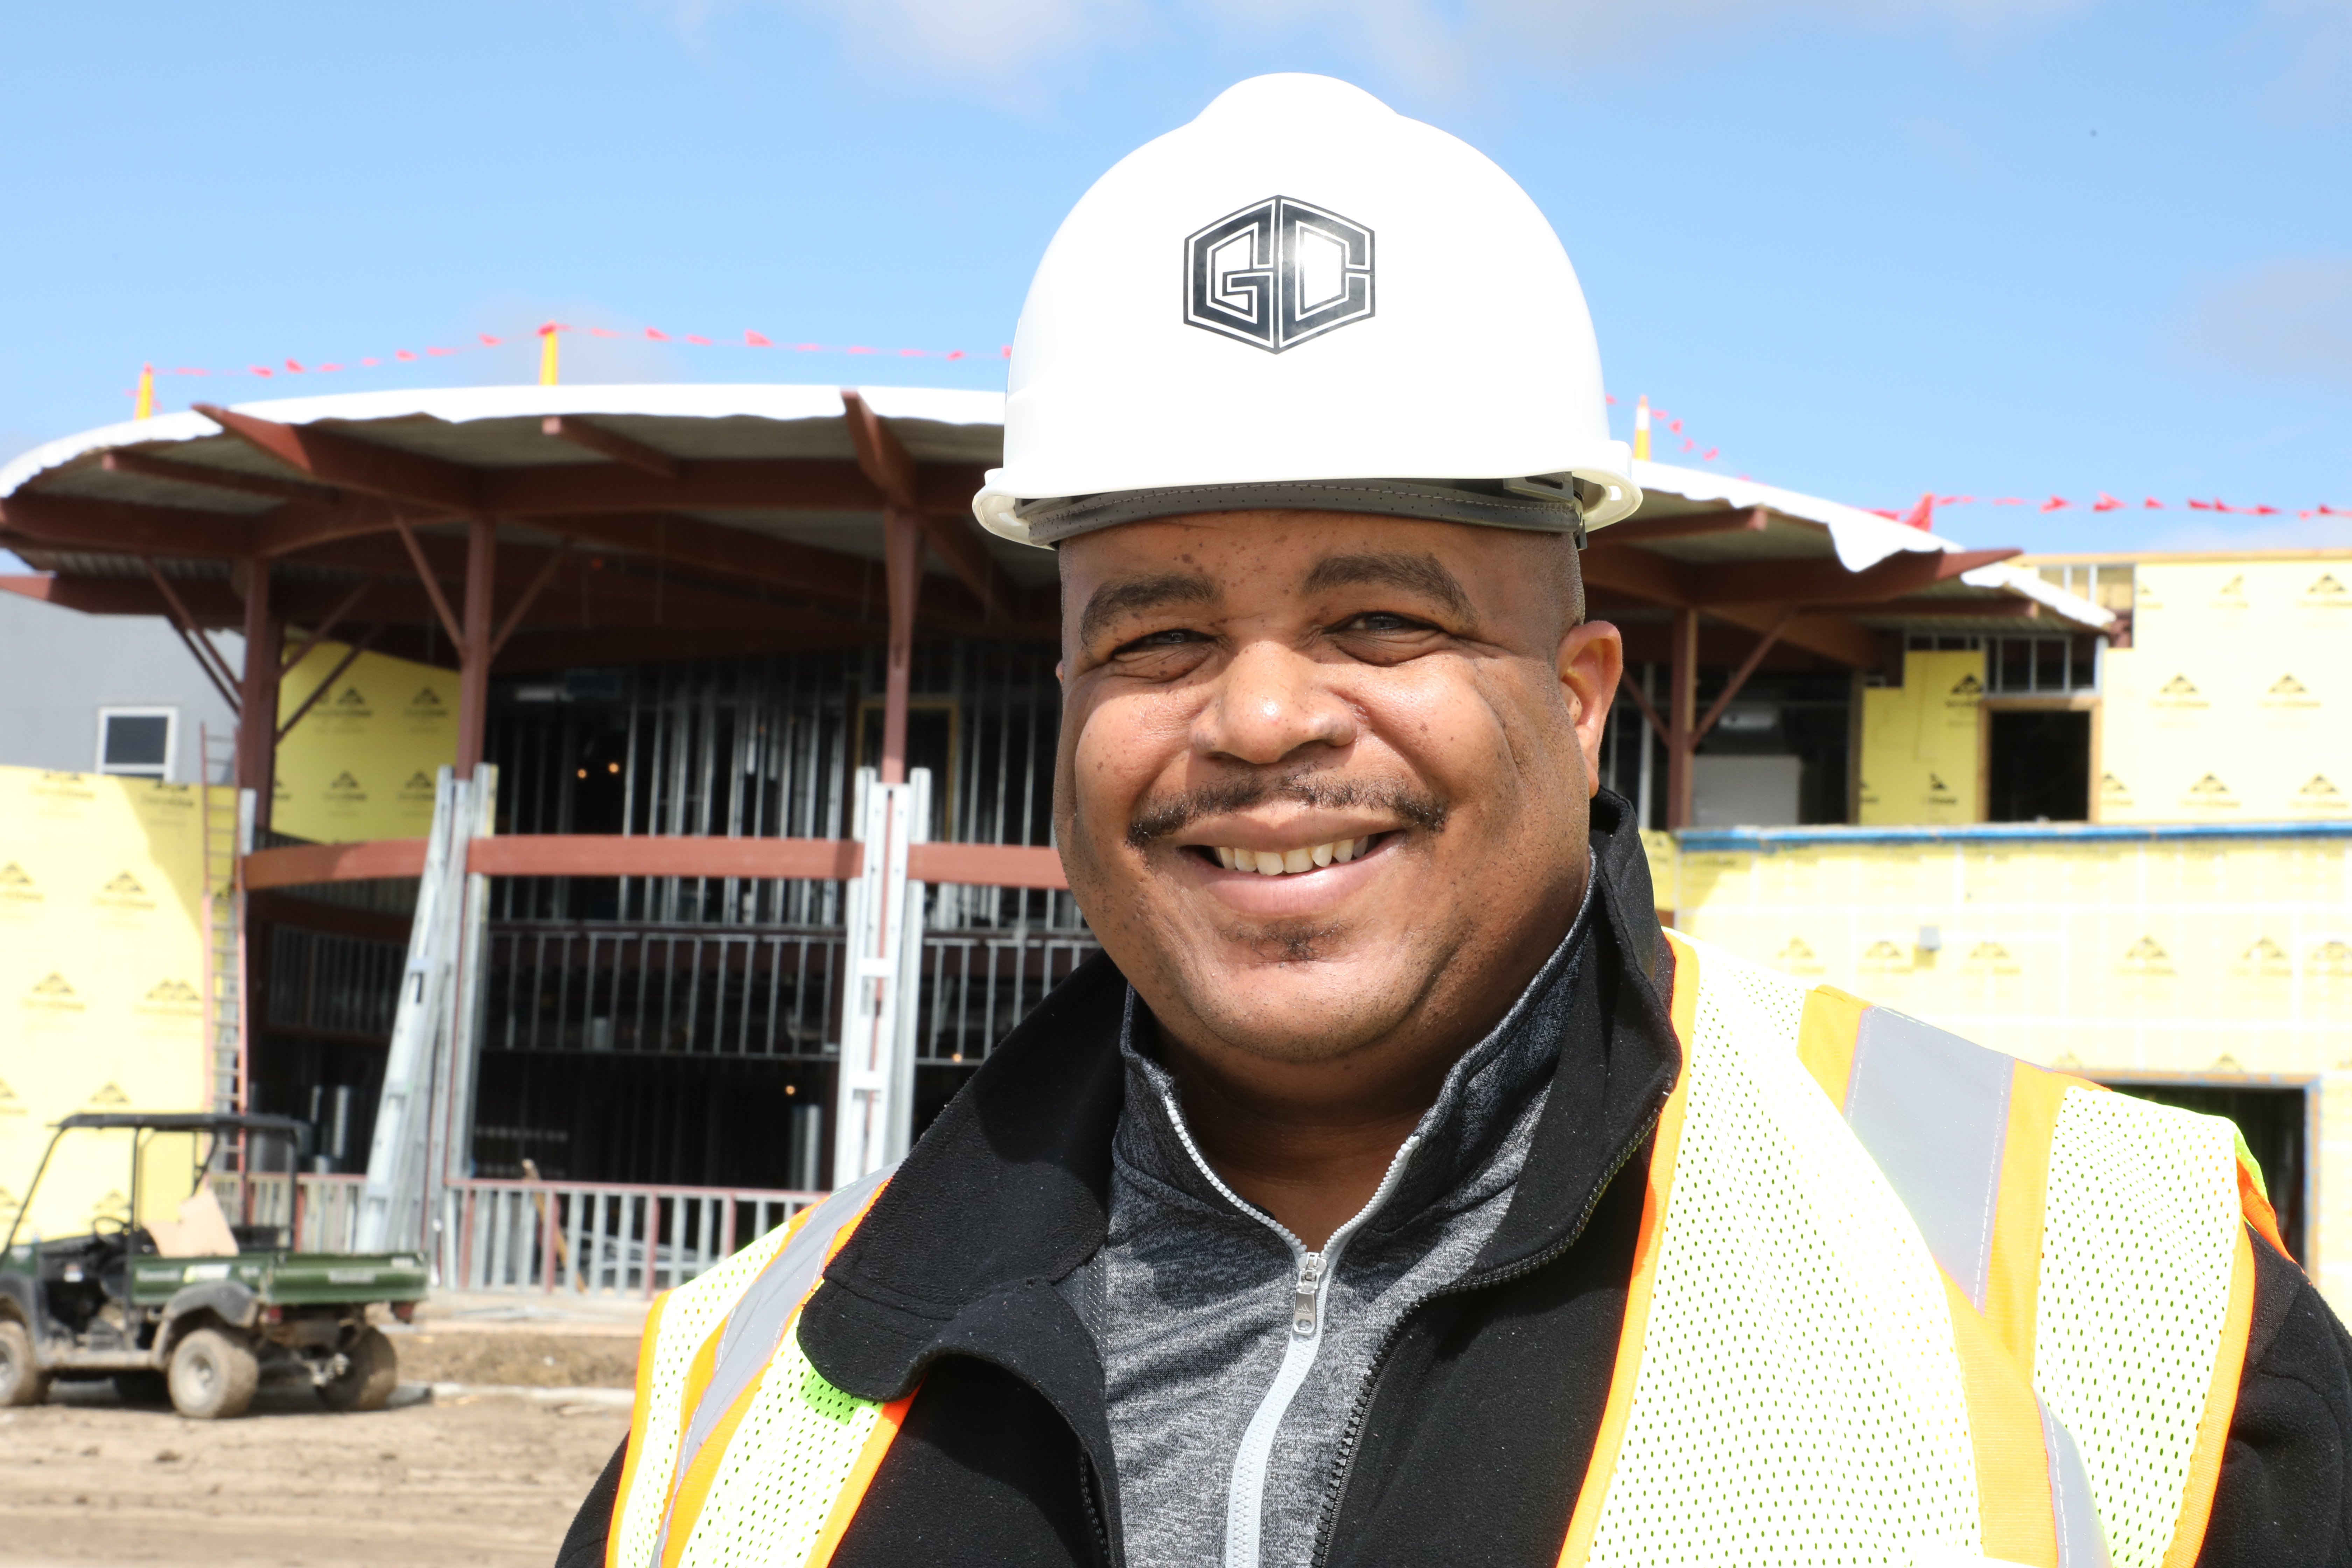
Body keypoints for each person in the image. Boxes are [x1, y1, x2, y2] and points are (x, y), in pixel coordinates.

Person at [562, 75, 2352, 1568]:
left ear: (1579, 703)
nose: (1261, 719)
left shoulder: (2127, 1309)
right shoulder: (742, 1391)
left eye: (1382, 622)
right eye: (1160, 637)